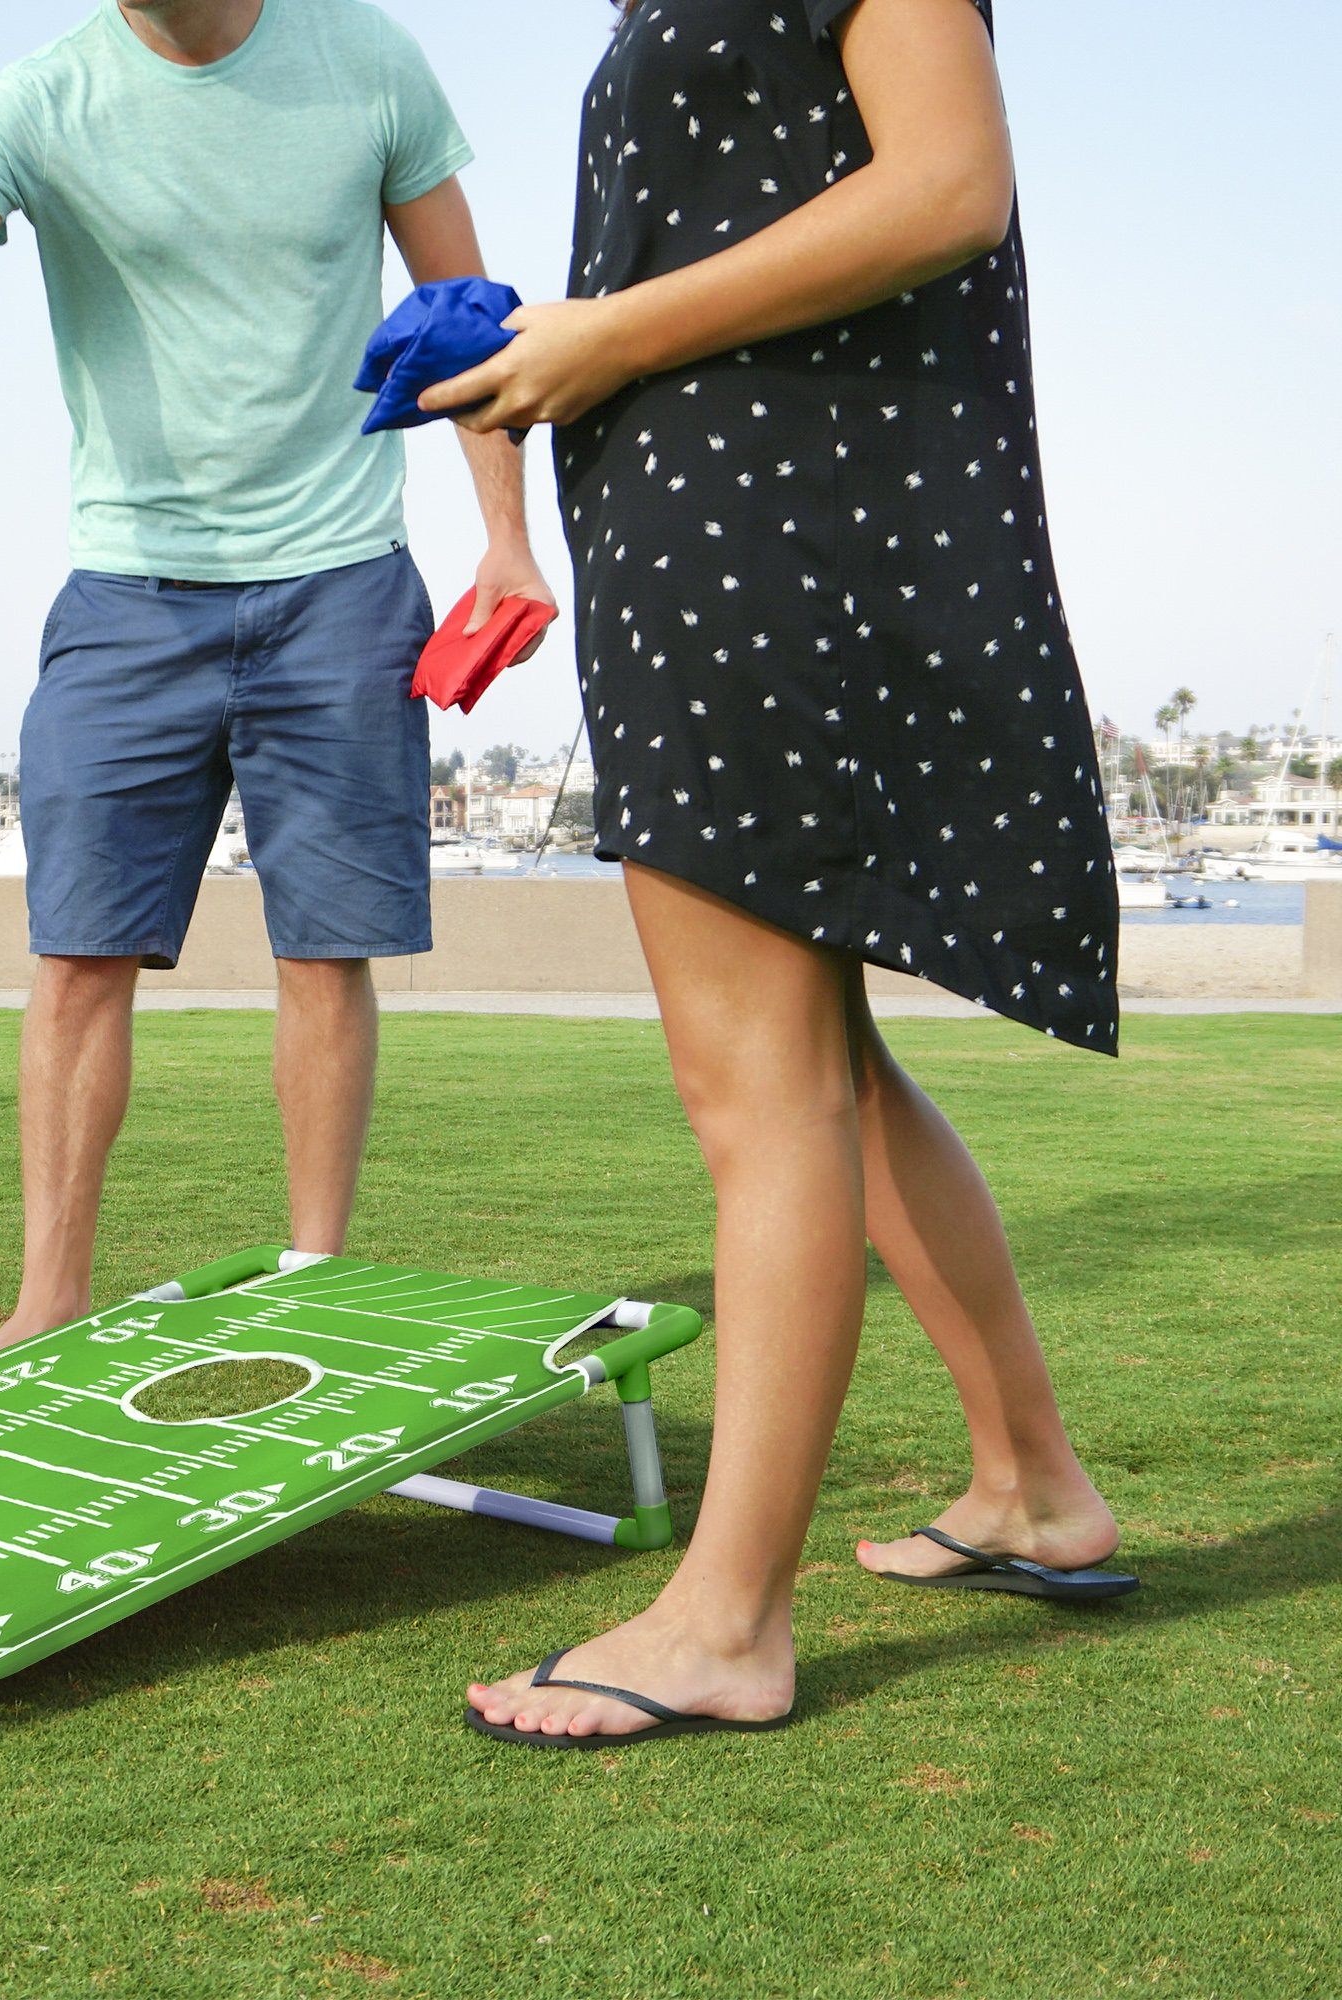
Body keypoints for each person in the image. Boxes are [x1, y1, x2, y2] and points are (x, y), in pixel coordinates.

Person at [428, 0, 1131, 1744]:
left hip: (770, 522)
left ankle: (728, 1622)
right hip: (730, 513)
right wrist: (543, 341)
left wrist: (606, 338)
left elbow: (950, 185)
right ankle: (1034, 1488)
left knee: (760, 1088)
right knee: (829, 1070)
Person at [0, 0, 553, 1362]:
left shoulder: (367, 63)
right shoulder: (37, 102)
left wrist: (505, 535)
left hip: (339, 579)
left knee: (324, 952)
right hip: (130, 594)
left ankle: (315, 1276)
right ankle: (49, 1297)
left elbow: (464, 324)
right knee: (77, 955)